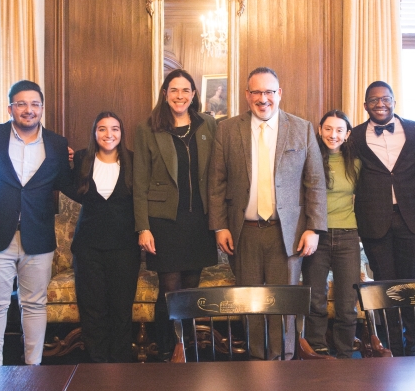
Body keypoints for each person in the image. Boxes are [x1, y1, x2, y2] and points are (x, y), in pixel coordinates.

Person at [209, 67, 327, 360]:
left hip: (287, 234)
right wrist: (219, 226)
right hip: (242, 232)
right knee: (250, 303)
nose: (263, 99)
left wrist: (314, 228)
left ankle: (283, 362)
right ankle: (255, 363)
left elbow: (315, 183)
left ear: (279, 93)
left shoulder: (302, 128)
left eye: (269, 92)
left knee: (283, 305)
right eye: (257, 92)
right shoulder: (226, 129)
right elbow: (216, 182)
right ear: (247, 95)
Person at [0, 80, 73, 366]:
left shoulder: (57, 143)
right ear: (10, 108)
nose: (29, 110)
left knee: (34, 304)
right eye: (22, 104)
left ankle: (34, 367)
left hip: (37, 236)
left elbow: (67, 183)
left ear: (42, 108)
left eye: (34, 104)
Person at [133, 69, 218, 360]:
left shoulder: (208, 124)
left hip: (199, 220)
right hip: (164, 221)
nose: (180, 96)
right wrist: (143, 227)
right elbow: (140, 182)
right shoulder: (148, 128)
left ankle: (188, 347)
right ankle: (168, 349)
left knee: (192, 288)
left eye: (185, 90)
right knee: (170, 288)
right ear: (165, 93)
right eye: (174, 90)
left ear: (193, 94)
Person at [348, 80, 415, 356]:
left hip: (411, 219)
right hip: (374, 222)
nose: (380, 104)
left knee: (412, 287)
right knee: (386, 288)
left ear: (394, 101)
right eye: (374, 100)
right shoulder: (355, 136)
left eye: (385, 99)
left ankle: (414, 349)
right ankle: (392, 350)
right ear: (365, 105)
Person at [63, 111, 139, 362]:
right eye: (102, 129)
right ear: (95, 133)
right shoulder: (82, 159)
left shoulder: (134, 161)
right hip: (88, 248)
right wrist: (63, 161)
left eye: (115, 129)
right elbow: (64, 183)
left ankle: (120, 369)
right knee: (93, 310)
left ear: (121, 133)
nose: (109, 134)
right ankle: (97, 369)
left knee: (120, 309)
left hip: (125, 247)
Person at [302, 110, 360, 358]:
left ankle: (345, 352)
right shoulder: (309, 158)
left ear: (347, 134)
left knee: (347, 303)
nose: (332, 134)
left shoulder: (357, 162)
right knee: (315, 299)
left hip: (348, 236)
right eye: (328, 128)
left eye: (339, 130)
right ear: (319, 129)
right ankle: (317, 349)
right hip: (317, 235)